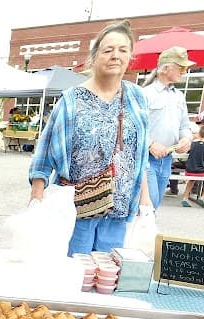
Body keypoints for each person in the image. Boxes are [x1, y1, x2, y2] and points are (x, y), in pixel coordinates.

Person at [29, 20, 153, 255]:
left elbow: (140, 154)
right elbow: (44, 152)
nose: (115, 56)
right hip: (77, 209)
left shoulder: (137, 98)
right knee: (73, 273)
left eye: (123, 50)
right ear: (95, 56)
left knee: (107, 275)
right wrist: (37, 196)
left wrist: (144, 200)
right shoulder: (72, 100)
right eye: (108, 50)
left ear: (130, 57)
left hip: (119, 208)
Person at [142, 46, 194, 210]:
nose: (184, 71)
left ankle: (145, 234)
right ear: (165, 68)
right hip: (146, 159)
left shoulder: (179, 96)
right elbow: (134, 128)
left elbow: (185, 125)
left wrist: (186, 138)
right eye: (181, 67)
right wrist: (150, 144)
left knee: (153, 207)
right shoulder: (145, 93)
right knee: (148, 206)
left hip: (167, 159)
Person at [182, 123, 204, 204]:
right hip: (201, 172)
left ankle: (185, 198)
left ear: (200, 133)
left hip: (189, 171)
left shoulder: (193, 144)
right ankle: (203, 196)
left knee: (192, 179)